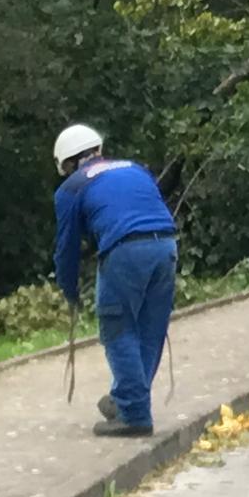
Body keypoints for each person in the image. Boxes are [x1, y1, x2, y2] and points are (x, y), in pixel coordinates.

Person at [53, 125, 178, 438]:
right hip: (166, 245)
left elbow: (66, 247)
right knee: (150, 330)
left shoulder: (71, 187)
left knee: (117, 327)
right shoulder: (135, 169)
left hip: (125, 251)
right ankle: (127, 398)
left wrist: (69, 290)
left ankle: (134, 414)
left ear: (68, 163)